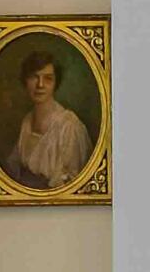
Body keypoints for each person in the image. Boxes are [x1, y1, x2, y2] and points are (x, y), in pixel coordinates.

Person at [7, 46, 93, 189]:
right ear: (25, 81)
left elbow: (71, 184)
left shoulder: (69, 126)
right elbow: (14, 168)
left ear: (55, 83)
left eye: (48, 79)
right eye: (34, 77)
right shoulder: (27, 121)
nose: (40, 85)